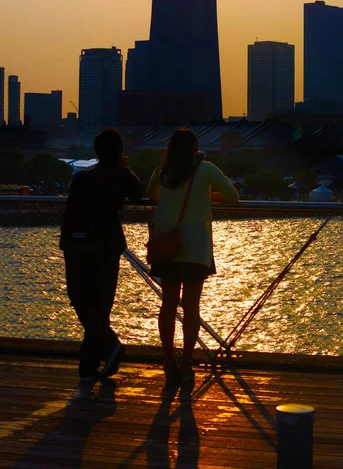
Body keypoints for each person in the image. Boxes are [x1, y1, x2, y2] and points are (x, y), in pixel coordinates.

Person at [147, 128, 239, 383]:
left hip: (167, 248)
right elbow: (234, 197)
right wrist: (208, 195)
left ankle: (168, 360)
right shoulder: (206, 170)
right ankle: (187, 363)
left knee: (167, 306)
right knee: (191, 308)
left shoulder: (162, 172)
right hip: (195, 249)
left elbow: (150, 195)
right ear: (195, 149)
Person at [60, 129, 145, 381]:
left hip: (77, 248)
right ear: (120, 152)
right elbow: (140, 192)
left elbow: (70, 214)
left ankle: (91, 363)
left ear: (96, 151)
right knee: (101, 304)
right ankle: (106, 350)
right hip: (107, 246)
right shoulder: (121, 176)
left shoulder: (81, 179)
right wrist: (126, 166)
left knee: (80, 300)